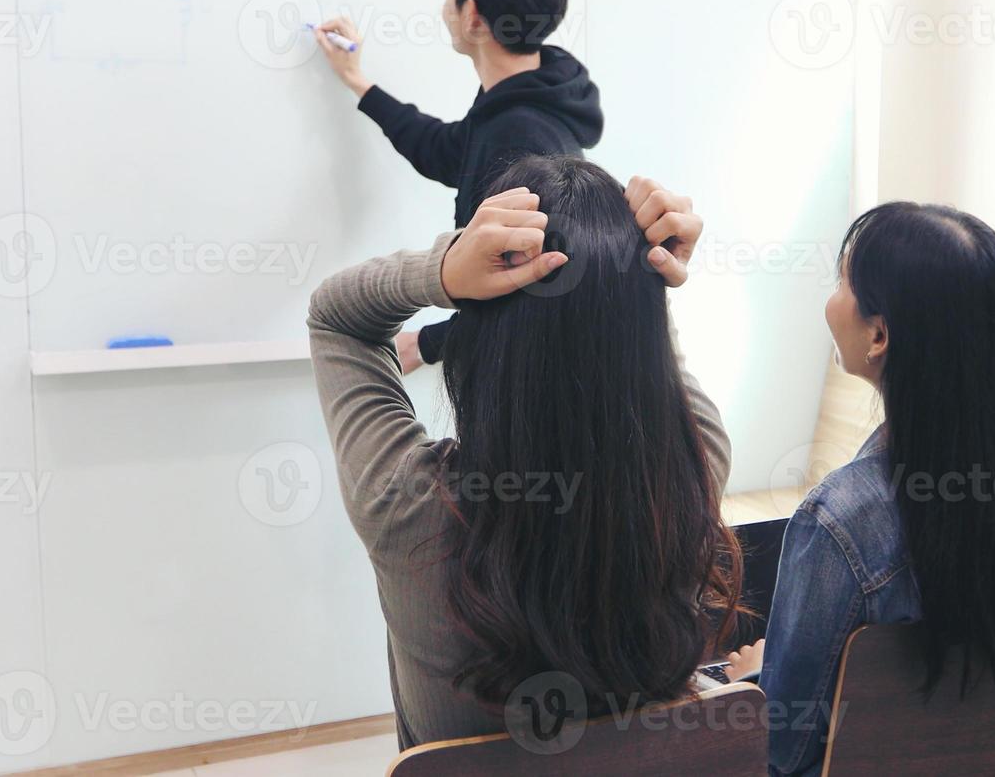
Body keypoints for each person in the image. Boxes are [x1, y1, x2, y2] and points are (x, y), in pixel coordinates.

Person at [305, 156, 738, 749]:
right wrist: (641, 280)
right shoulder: (695, 468)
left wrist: (445, 269)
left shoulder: (406, 505)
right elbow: (650, 369)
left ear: (478, 340)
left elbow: (336, 317)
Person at [722, 202, 995, 777]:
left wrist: (756, 677)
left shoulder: (839, 519)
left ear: (878, 334)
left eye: (842, 282)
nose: (831, 301)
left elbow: (784, 750)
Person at [313, 0, 604, 374]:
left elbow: (547, 286)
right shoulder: (522, 100)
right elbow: (449, 151)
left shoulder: (522, 135)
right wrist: (357, 80)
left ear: (471, 15)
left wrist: (427, 344)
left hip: (524, 396)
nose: (443, 7)